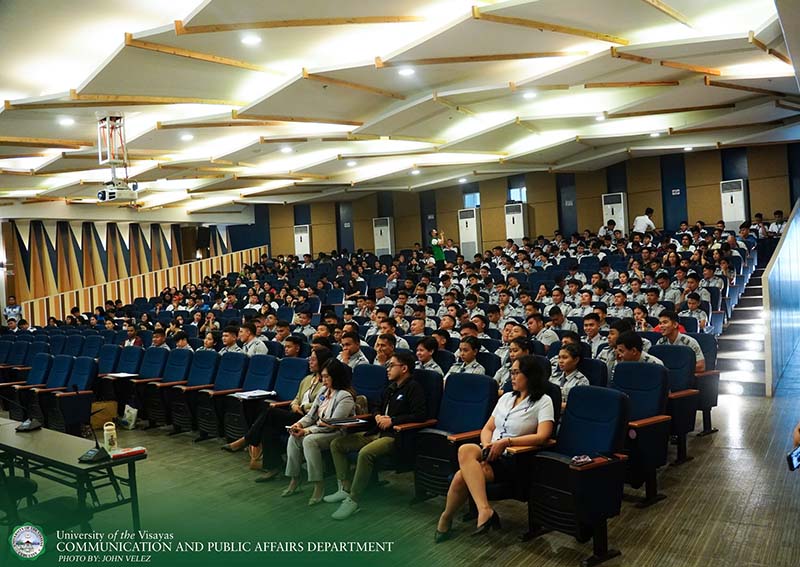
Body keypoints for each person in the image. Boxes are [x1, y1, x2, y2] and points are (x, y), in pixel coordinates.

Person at [435, 355, 554, 542]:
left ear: (530, 375)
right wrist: (488, 445)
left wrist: (507, 442)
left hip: (514, 458)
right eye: (511, 373)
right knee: (465, 449)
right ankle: (484, 510)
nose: (512, 377)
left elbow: (543, 436)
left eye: (516, 373)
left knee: (461, 476)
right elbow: (488, 428)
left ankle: (446, 517)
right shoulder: (506, 397)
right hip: (490, 451)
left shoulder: (543, 401)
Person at [326, 351, 427, 520]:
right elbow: (376, 405)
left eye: (391, 365)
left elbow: (420, 415)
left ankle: (353, 500)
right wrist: (378, 415)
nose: (387, 369)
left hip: (395, 436)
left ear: (404, 368)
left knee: (365, 453)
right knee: (337, 444)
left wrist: (393, 421)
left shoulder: (413, 388)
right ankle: (344, 488)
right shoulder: (391, 387)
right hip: (376, 431)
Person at [224, 348, 333, 476]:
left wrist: (303, 407)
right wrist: (294, 405)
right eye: (310, 358)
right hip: (296, 414)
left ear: (322, 362)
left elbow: (321, 403)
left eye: (313, 359)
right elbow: (296, 398)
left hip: (309, 418)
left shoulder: (326, 382)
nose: (310, 362)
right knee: (268, 426)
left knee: (271, 413)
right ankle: (273, 466)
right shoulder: (307, 379)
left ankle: (246, 439)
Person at [282, 359, 356, 505]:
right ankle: (295, 479)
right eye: (323, 376)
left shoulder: (344, 396)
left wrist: (306, 431)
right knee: (293, 437)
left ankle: (318, 484)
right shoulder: (323, 391)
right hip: (319, 430)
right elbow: (311, 416)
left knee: (309, 441)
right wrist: (298, 424)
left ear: (336, 376)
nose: (323, 380)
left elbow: (332, 424)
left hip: (337, 432)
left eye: (327, 376)